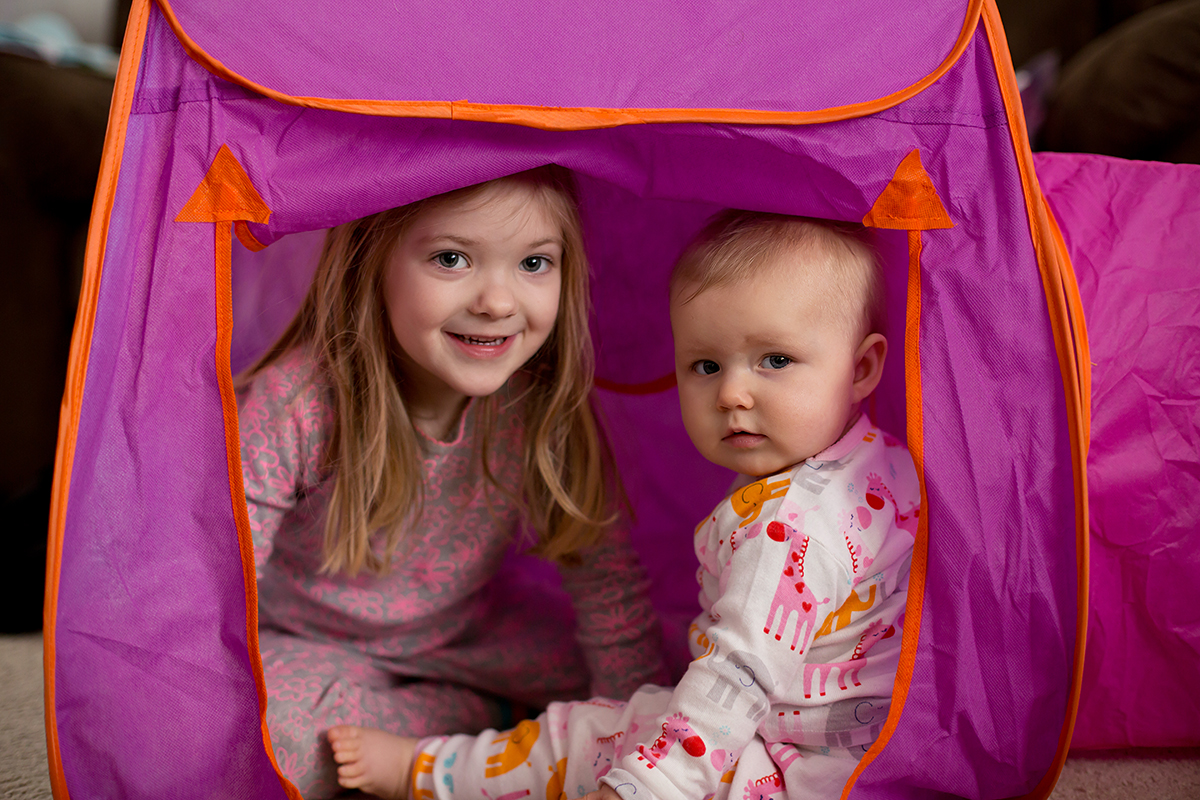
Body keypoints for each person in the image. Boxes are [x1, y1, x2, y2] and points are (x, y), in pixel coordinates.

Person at [327, 210, 921, 800]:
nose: (733, 394)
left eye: (775, 361)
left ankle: (424, 770)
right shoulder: (881, 463)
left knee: (585, 732)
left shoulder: (786, 532)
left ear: (862, 367)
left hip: (785, 772)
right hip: (873, 759)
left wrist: (641, 787)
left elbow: (734, 680)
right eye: (706, 366)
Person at [237, 166, 668, 798]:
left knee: (647, 686)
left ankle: (454, 727)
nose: (497, 302)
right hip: (310, 642)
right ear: (371, 261)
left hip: (470, 638)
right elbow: (222, 574)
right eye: (450, 258)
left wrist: (632, 739)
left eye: (534, 264)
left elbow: (607, 587)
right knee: (277, 743)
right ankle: (468, 733)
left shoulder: (539, 407)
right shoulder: (300, 399)